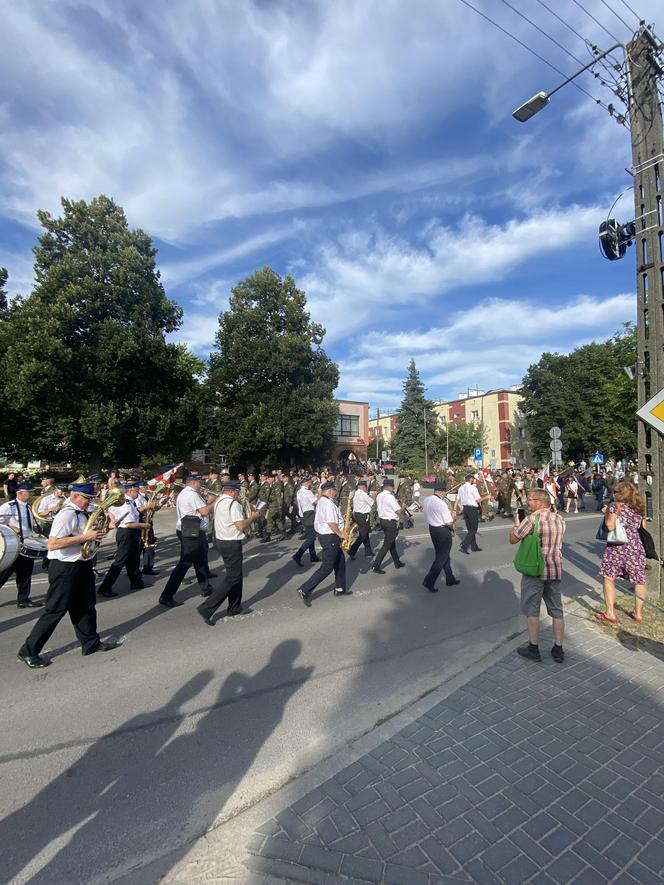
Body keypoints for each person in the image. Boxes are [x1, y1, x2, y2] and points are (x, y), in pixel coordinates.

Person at [17, 483, 120, 668]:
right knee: (55, 610)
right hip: (65, 567)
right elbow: (53, 544)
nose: (90, 503)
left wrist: (98, 534)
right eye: (87, 499)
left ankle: (90, 643)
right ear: (74, 496)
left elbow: (84, 536)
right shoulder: (67, 514)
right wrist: (85, 537)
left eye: (91, 499)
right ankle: (28, 650)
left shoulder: (83, 513)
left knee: (86, 605)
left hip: (81, 564)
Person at [510, 488, 566, 663]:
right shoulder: (560, 519)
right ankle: (558, 649)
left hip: (535, 570)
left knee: (532, 610)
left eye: (531, 499)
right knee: (557, 610)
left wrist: (515, 524)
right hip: (555, 569)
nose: (528, 502)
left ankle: (533, 648)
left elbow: (514, 539)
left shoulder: (532, 519)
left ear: (540, 502)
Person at [197, 480, 260, 624]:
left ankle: (234, 606)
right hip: (231, 542)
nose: (238, 495)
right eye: (237, 492)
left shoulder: (219, 501)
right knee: (233, 577)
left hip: (221, 540)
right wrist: (253, 517)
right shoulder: (233, 503)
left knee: (237, 575)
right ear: (232, 491)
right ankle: (207, 608)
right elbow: (240, 526)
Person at [159, 475, 217, 608]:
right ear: (193, 483)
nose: (201, 485)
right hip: (191, 531)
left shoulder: (185, 493)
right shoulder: (192, 495)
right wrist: (214, 501)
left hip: (191, 529)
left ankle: (206, 587)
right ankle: (166, 596)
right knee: (184, 564)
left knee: (200, 559)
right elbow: (205, 511)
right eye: (199, 482)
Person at [597, 481, 648, 623]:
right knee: (639, 579)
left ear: (619, 493)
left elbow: (610, 526)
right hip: (636, 547)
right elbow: (643, 527)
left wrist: (607, 513)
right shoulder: (639, 507)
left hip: (617, 547)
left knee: (608, 577)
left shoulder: (615, 506)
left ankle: (610, 613)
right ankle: (638, 613)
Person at [297, 481, 350, 606]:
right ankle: (304, 589)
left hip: (327, 536)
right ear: (330, 490)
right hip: (330, 537)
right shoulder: (328, 504)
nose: (336, 493)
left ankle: (340, 588)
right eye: (335, 490)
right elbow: (331, 523)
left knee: (340, 562)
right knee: (327, 567)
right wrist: (341, 534)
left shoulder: (322, 501)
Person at [96, 482, 146, 597]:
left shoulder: (125, 502)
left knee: (133, 559)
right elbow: (129, 524)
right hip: (128, 533)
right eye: (137, 490)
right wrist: (145, 526)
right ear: (130, 491)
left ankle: (136, 582)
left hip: (127, 533)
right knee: (120, 561)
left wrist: (113, 518)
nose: (138, 492)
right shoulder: (126, 503)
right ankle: (105, 587)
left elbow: (110, 510)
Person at [0, 481, 44, 608]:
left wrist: (37, 529)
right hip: (14, 544)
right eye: (29, 492)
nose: (32, 494)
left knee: (25, 574)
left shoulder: (28, 507)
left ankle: (23, 599)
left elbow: (30, 524)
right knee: (4, 574)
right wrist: (11, 527)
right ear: (20, 493)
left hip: (27, 544)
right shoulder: (9, 506)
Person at [422, 482, 459, 592]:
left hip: (433, 529)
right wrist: (454, 519)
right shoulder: (441, 503)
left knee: (443, 555)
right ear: (441, 492)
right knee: (441, 558)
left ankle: (450, 578)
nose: (445, 495)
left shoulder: (427, 499)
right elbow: (448, 522)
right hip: (443, 531)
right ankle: (429, 581)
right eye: (445, 493)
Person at [372, 478, 405, 574]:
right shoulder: (390, 497)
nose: (393, 489)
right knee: (386, 544)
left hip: (383, 521)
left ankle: (397, 562)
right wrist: (403, 506)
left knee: (391, 542)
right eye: (393, 487)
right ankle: (376, 565)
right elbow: (398, 511)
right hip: (390, 522)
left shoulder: (379, 495)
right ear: (390, 487)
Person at [292, 475, 320, 566]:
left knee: (310, 537)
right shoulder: (307, 492)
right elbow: (316, 502)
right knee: (312, 537)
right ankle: (298, 555)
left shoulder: (299, 491)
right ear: (307, 483)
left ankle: (313, 556)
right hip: (310, 514)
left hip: (303, 514)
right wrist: (320, 494)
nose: (311, 484)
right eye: (310, 482)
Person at [347, 479, 374, 559]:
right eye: (366, 487)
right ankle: (352, 550)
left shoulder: (355, 493)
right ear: (364, 487)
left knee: (365, 533)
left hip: (357, 515)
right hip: (363, 516)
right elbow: (372, 503)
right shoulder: (363, 494)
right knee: (363, 534)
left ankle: (368, 551)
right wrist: (373, 495)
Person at [456, 473, 482, 555]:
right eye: (473, 479)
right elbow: (478, 500)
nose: (474, 480)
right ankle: (464, 545)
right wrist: (486, 497)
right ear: (470, 479)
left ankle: (474, 546)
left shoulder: (460, 488)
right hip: (472, 509)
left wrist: (454, 508)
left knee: (470, 529)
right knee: (474, 529)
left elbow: (457, 499)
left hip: (465, 509)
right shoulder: (473, 488)